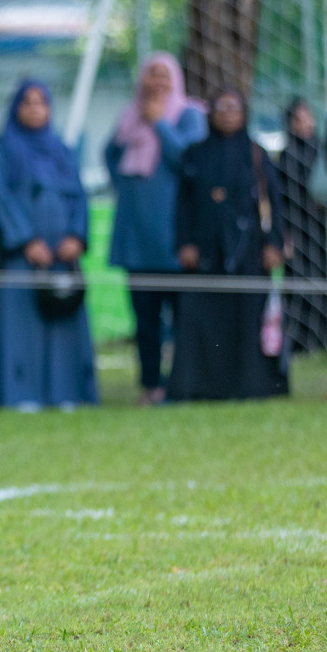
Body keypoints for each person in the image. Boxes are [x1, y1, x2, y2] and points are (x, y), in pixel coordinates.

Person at [0, 80, 97, 411]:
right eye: (27, 102)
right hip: (23, 255)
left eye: (42, 102)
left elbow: (79, 195)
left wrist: (76, 236)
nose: (35, 109)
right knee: (21, 324)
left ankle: (66, 392)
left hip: (62, 254)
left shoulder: (62, 149)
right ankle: (21, 393)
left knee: (64, 325)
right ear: (15, 108)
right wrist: (26, 240)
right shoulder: (2, 148)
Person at [168, 90, 288, 401]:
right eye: (221, 108)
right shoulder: (195, 153)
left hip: (249, 250)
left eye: (234, 108)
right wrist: (185, 244)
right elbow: (183, 204)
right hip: (206, 251)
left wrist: (274, 243)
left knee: (248, 317)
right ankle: (200, 388)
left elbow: (274, 202)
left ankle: (253, 387)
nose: (228, 114)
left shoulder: (256, 154)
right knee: (203, 317)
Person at [104, 53, 207, 405]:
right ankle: (151, 385)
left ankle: (182, 383)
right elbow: (111, 160)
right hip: (136, 239)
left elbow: (189, 161)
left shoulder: (190, 114)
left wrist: (160, 124)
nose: (158, 83)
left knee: (181, 318)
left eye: (165, 75)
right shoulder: (128, 117)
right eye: (152, 75)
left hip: (174, 239)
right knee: (145, 320)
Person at [276, 97, 327, 356]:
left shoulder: (323, 152)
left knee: (322, 280)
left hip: (321, 231)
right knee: (297, 282)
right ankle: (298, 337)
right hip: (296, 231)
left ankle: (322, 336)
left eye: (307, 117)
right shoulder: (286, 156)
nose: (305, 123)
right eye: (298, 119)